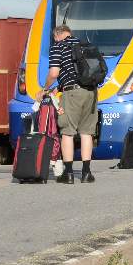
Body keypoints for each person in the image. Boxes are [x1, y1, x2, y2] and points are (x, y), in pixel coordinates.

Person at [46, 23, 97, 184]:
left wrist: (45, 88)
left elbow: (54, 73)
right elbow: (78, 71)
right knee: (86, 132)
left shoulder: (58, 47)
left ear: (57, 35)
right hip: (91, 92)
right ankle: (86, 173)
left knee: (67, 131)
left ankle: (68, 174)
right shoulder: (84, 45)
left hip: (73, 93)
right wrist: (59, 87)